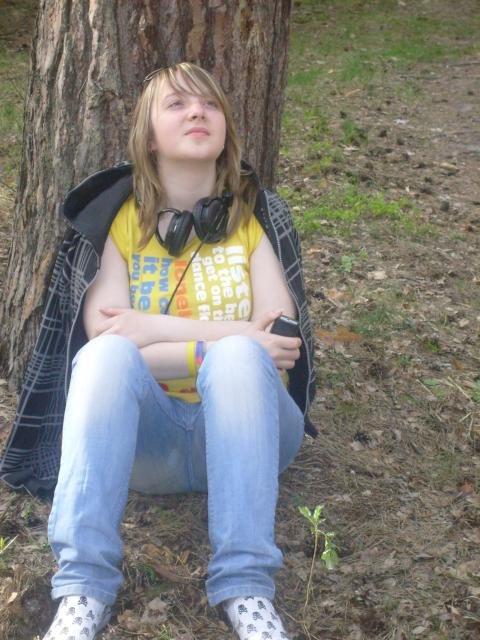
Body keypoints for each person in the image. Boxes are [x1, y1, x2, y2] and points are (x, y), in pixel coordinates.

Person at [0, 62, 316, 640]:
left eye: (210, 104)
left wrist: (152, 327)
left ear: (225, 127)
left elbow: (277, 348)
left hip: (252, 436)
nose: (198, 112)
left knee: (241, 360)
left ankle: (247, 589)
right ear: (148, 136)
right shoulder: (116, 225)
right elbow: (110, 350)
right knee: (106, 360)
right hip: (148, 444)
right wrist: (223, 343)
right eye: (177, 104)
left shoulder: (253, 221)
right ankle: (81, 591)